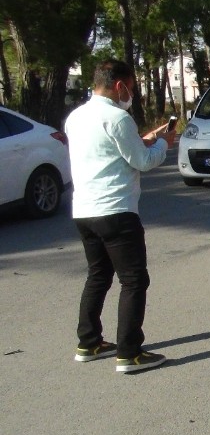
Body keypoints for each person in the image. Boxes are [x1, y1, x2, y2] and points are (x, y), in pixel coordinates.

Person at [65, 59, 176, 373]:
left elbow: (104, 152)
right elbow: (142, 161)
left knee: (98, 276)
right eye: (132, 87)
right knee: (134, 280)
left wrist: (145, 141)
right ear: (119, 85)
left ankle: (88, 342)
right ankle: (129, 353)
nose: (132, 94)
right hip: (115, 210)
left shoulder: (76, 117)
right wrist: (163, 145)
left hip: (84, 211)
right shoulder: (118, 118)